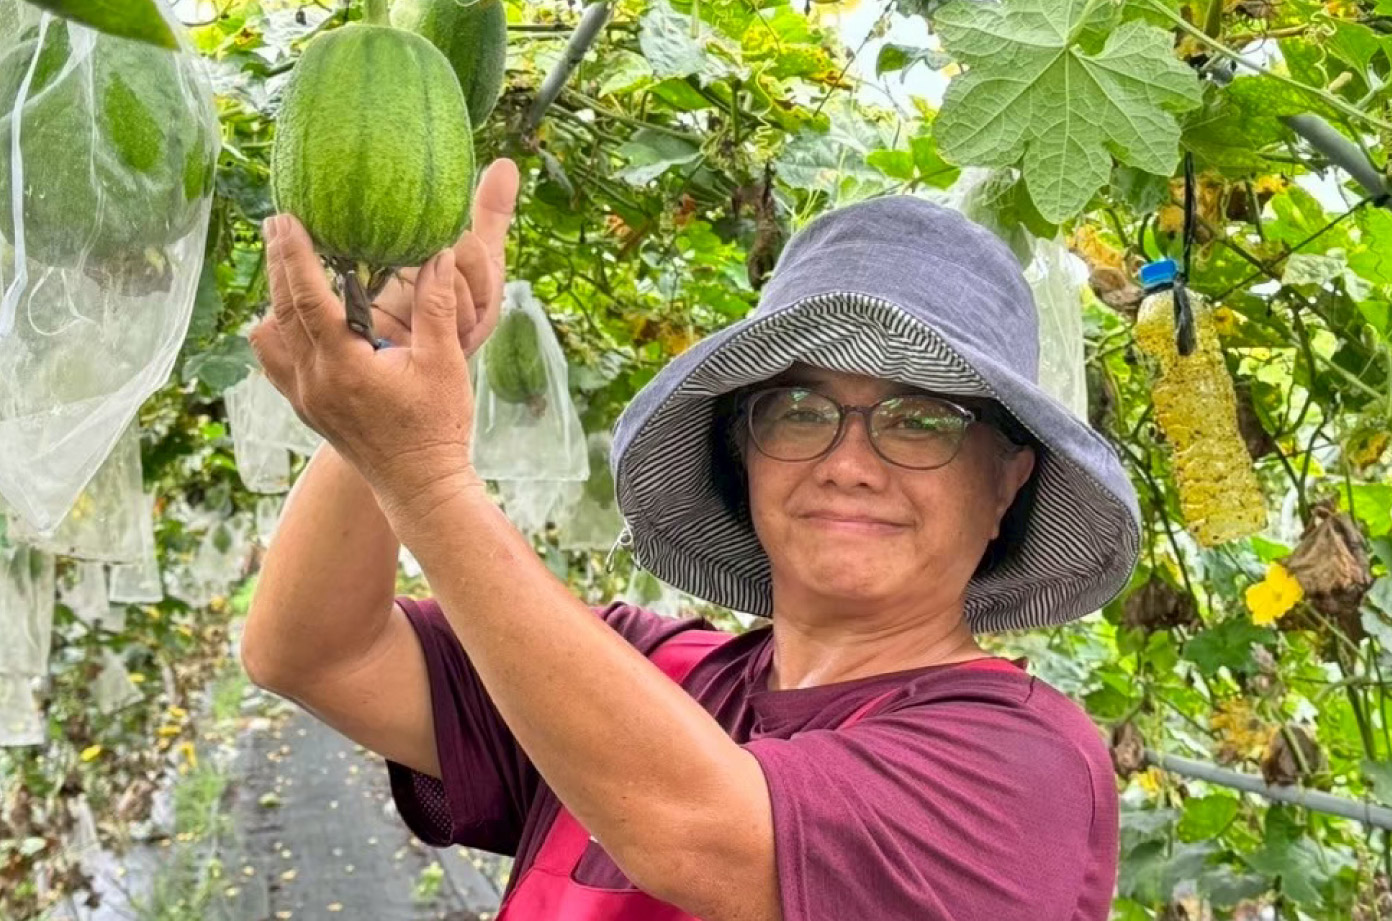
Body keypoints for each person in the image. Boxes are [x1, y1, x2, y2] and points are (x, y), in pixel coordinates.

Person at [243, 157, 1142, 921]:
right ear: (743, 453)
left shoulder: (1025, 766)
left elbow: (701, 833)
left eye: (920, 420)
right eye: (798, 410)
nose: (850, 463)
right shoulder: (645, 671)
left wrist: (427, 480)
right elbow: (315, 651)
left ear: (1007, 481)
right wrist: (390, 381)